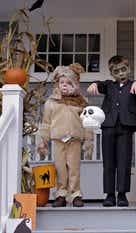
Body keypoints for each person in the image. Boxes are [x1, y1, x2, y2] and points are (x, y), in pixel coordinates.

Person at [87, 55, 136, 207]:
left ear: (128, 69)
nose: (121, 73)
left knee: (124, 162)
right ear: (112, 74)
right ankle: (110, 195)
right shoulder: (109, 85)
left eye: (124, 70)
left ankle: (122, 194)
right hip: (109, 126)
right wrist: (94, 84)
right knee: (109, 162)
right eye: (116, 71)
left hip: (125, 127)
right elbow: (100, 84)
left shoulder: (133, 85)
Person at [37, 63, 92, 207]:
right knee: (60, 168)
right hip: (58, 140)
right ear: (57, 84)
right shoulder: (52, 102)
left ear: (75, 85)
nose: (65, 86)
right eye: (62, 83)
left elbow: (87, 122)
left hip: (74, 140)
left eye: (69, 83)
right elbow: (46, 123)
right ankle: (61, 193)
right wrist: (43, 140)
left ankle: (75, 194)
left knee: (74, 168)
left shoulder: (81, 103)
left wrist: (88, 140)